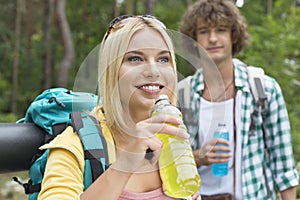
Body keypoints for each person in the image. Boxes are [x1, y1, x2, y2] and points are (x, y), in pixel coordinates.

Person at [37, 15, 201, 200]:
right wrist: (125, 164)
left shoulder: (173, 140)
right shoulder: (75, 144)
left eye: (163, 59)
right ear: (111, 70)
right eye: (135, 59)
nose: (153, 70)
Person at [178, 0, 299, 199]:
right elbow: (166, 164)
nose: (213, 38)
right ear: (194, 39)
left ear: (233, 36)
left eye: (221, 29)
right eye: (204, 31)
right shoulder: (182, 94)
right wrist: (198, 157)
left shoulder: (263, 88)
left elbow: (284, 167)